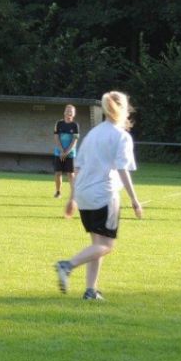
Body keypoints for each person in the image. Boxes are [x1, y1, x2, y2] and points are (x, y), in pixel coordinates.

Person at [55, 91, 143, 300]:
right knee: (106, 245)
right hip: (104, 195)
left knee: (97, 244)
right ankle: (67, 265)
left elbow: (78, 166)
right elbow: (122, 169)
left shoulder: (93, 134)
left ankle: (90, 290)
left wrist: (72, 198)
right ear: (123, 109)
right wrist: (134, 200)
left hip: (85, 195)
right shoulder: (121, 136)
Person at [53, 104, 79, 198]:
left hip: (70, 154)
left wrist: (67, 152)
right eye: (67, 111)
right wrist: (61, 151)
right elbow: (56, 138)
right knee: (58, 173)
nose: (69, 113)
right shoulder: (58, 124)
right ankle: (58, 192)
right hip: (59, 153)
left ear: (74, 114)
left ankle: (74, 195)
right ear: (64, 112)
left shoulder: (75, 125)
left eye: (71, 111)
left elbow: (75, 140)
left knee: (71, 174)